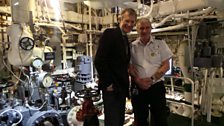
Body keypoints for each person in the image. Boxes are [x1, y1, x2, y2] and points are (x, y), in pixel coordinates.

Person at [94, 8, 137, 126]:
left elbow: (120, 63)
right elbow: (99, 60)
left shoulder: (125, 39)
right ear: (120, 19)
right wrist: (108, 84)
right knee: (113, 121)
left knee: (118, 121)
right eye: (127, 21)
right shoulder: (110, 34)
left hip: (121, 88)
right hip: (112, 88)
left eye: (132, 22)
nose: (129, 24)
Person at [129, 18, 173, 126]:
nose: (144, 31)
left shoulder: (160, 43)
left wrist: (152, 79)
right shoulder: (132, 46)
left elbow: (166, 65)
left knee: (160, 118)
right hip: (138, 87)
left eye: (147, 28)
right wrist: (138, 81)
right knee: (139, 119)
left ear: (151, 29)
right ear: (137, 30)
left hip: (156, 86)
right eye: (141, 28)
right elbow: (129, 67)